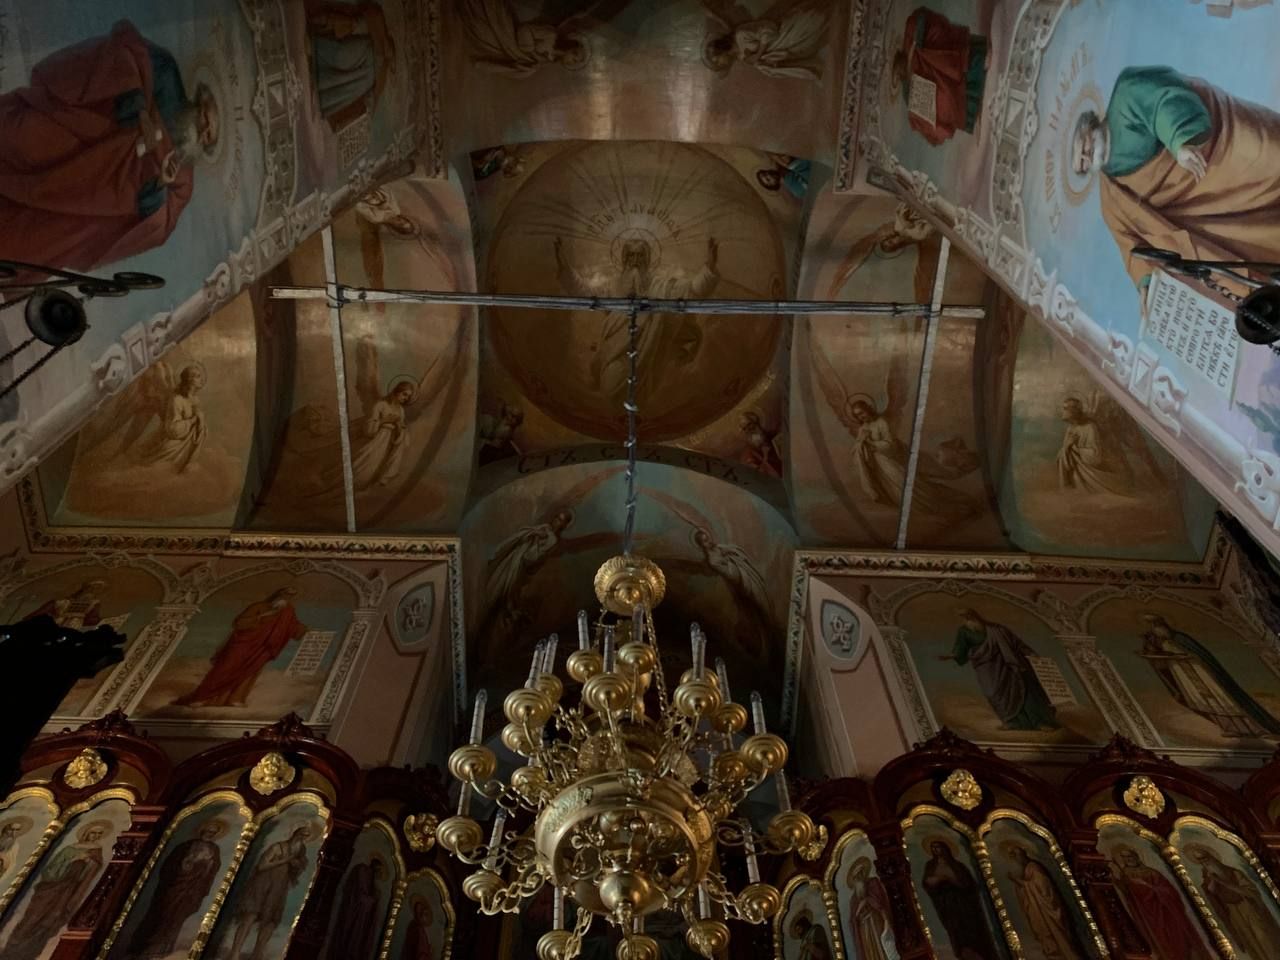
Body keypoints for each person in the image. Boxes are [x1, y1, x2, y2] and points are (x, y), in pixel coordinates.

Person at [0, 20, 219, 279]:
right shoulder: (167, 74)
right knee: (20, 137)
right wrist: (139, 111)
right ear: (201, 99)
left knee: (39, 232)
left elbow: (156, 228)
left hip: (95, 196)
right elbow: (125, 47)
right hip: (86, 131)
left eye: (209, 134)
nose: (203, 129)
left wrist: (160, 182)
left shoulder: (183, 181)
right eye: (206, 117)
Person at [1071, 65, 1280, 296]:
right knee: (1252, 238)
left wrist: (1179, 142)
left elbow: (1163, 102)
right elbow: (1131, 247)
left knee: (1271, 156)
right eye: (1081, 163)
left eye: (1083, 147)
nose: (1086, 157)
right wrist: (1145, 285)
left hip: (1218, 151)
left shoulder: (1125, 94)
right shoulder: (1112, 198)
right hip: (1206, 211)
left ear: (1089, 126)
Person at [554, 235, 718, 399]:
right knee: (610, 385)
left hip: (648, 352)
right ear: (624, 259)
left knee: (640, 393)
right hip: (614, 350)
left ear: (647, 260)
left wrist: (709, 267)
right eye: (631, 255)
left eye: (640, 256)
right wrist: (565, 267)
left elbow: (691, 290)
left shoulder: (661, 286)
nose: (635, 261)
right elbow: (585, 293)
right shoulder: (613, 286)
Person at [1138, 613, 1280, 738]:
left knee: (1223, 699)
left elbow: (1197, 654)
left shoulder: (1181, 638)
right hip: (1184, 675)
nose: (1155, 632)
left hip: (1203, 674)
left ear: (1163, 627)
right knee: (1204, 702)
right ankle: (1229, 728)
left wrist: (1181, 656)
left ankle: (1255, 729)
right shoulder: (1164, 642)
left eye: (1156, 627)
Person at [174, 587, 309, 708]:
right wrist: (261, 617)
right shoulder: (258, 606)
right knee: (224, 669)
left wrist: (305, 630)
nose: (286, 599)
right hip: (242, 643)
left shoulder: (288, 612)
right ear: (277, 595)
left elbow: (293, 627)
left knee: (249, 672)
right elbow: (239, 623)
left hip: (263, 647)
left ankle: (235, 699)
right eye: (284, 595)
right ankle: (202, 697)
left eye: (290, 597)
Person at [1, 820, 113, 960]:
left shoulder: (95, 851)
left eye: (99, 834)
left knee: (52, 920)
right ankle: (11, 948)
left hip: (67, 892)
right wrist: (74, 860)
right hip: (50, 888)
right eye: (93, 833)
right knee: (31, 918)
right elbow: (51, 870)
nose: (95, 836)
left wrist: (89, 862)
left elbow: (90, 873)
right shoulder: (69, 849)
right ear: (86, 833)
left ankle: (31, 952)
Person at [940, 608, 1059, 731]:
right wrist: (951, 656)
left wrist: (1030, 653)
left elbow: (1016, 642)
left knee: (1022, 688)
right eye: (964, 617)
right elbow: (960, 647)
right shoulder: (964, 631)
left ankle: (1039, 722)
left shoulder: (996, 629)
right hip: (985, 667)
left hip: (1007, 663)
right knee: (992, 692)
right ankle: (1013, 721)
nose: (967, 619)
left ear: (974, 614)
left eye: (968, 615)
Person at [127, 818, 227, 958]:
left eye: (213, 832)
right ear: (202, 830)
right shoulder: (185, 846)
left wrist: (203, 865)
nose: (209, 834)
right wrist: (185, 864)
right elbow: (170, 865)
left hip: (191, 890)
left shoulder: (213, 850)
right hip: (173, 886)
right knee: (160, 913)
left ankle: (162, 949)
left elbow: (212, 871)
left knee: (176, 919)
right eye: (208, 831)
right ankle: (142, 947)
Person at [893, 8, 988, 145]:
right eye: (897, 73)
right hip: (938, 88)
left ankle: (978, 63)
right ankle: (973, 111)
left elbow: (922, 20)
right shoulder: (907, 91)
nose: (900, 70)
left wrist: (919, 47)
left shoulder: (912, 39)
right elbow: (922, 114)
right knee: (942, 102)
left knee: (938, 56)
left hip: (944, 67)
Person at [223, 823, 314, 960]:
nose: (302, 838)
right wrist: (284, 860)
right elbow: (261, 866)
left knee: (270, 920)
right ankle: (235, 953)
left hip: (278, 888)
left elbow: (295, 874)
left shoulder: (300, 854)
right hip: (262, 884)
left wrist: (296, 866)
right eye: (302, 834)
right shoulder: (278, 847)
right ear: (295, 833)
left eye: (306, 836)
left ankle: (257, 953)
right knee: (250, 916)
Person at [1109, 843, 1214, 960]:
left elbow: (1169, 891)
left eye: (1130, 856)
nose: (1128, 860)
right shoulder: (1125, 875)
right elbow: (1127, 894)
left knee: (1177, 937)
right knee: (1160, 941)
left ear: (1136, 856)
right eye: (1124, 857)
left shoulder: (1151, 872)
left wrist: (1146, 886)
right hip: (1147, 915)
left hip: (1166, 911)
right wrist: (1118, 881)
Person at [305, 1, 396, 131]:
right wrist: (355, 24)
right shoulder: (379, 32)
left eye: (391, 55)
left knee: (344, 88)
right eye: (390, 49)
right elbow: (369, 16)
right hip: (363, 52)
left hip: (364, 78)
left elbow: (373, 98)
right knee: (340, 56)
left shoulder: (382, 73)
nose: (389, 53)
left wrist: (351, 120)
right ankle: (316, 49)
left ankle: (321, 87)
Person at [1183, 842, 1280, 959]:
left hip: (1248, 908)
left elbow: (1252, 892)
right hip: (1233, 913)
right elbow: (1212, 895)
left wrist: (1224, 882)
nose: (1205, 862)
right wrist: (1213, 880)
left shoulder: (1234, 873)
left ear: (1212, 856)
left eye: (1205, 858)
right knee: (1250, 943)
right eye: (1201, 860)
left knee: (1262, 937)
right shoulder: (1209, 880)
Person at [920, 836, 1004, 960]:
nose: (936, 850)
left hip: (964, 903)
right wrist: (939, 880)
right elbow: (927, 883)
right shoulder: (931, 866)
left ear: (945, 848)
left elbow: (969, 885)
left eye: (938, 847)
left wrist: (953, 881)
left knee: (971, 929)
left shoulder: (957, 865)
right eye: (933, 848)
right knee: (956, 930)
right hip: (946, 903)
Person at [1001, 841, 1087, 959]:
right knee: (1044, 933)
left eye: (1018, 854)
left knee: (1058, 934)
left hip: (1047, 909)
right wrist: (1021, 886)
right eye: (1014, 856)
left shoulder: (1034, 867)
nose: (1017, 858)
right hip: (1038, 910)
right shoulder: (1026, 870)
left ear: (1023, 852)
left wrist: (1018, 881)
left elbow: (1043, 887)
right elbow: (1028, 891)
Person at [136, 364, 207, 473]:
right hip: (173, 447)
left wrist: (200, 422)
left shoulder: (195, 400)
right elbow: (172, 429)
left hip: (186, 445)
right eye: (197, 376)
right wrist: (193, 420)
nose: (201, 379)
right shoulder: (176, 400)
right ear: (189, 380)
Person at [1057, 397, 1133, 497]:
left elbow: (1095, 456)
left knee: (1069, 451)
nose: (1064, 411)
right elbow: (1066, 449)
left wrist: (1074, 448)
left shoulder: (1090, 427)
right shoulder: (1071, 428)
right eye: (1064, 408)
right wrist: (1068, 447)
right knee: (1062, 452)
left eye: (1066, 408)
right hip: (1075, 462)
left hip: (1089, 466)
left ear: (1074, 411)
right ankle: (1067, 486)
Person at [328, 855, 387, 959]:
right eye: (378, 870)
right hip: (353, 914)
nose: (378, 874)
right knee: (348, 941)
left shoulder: (372, 880)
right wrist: (373, 900)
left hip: (361, 920)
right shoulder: (362, 870)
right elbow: (360, 896)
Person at [846, 856, 895, 960]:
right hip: (863, 928)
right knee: (870, 952)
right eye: (856, 876)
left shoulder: (873, 883)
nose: (859, 877)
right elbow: (853, 919)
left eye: (861, 873)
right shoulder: (854, 898)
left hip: (876, 920)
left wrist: (867, 901)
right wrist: (858, 911)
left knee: (881, 946)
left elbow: (880, 902)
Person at [24, 580, 107, 630]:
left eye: (98, 589)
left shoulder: (93, 604)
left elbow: (90, 620)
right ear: (84, 588)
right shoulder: (60, 602)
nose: (93, 590)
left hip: (71, 630)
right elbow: (34, 616)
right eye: (92, 587)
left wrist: (102, 621)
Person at [0, 816, 34, 885]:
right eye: (11, 829)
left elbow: (11, 863)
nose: (13, 833)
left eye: (17, 830)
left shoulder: (15, 846)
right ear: (5, 829)